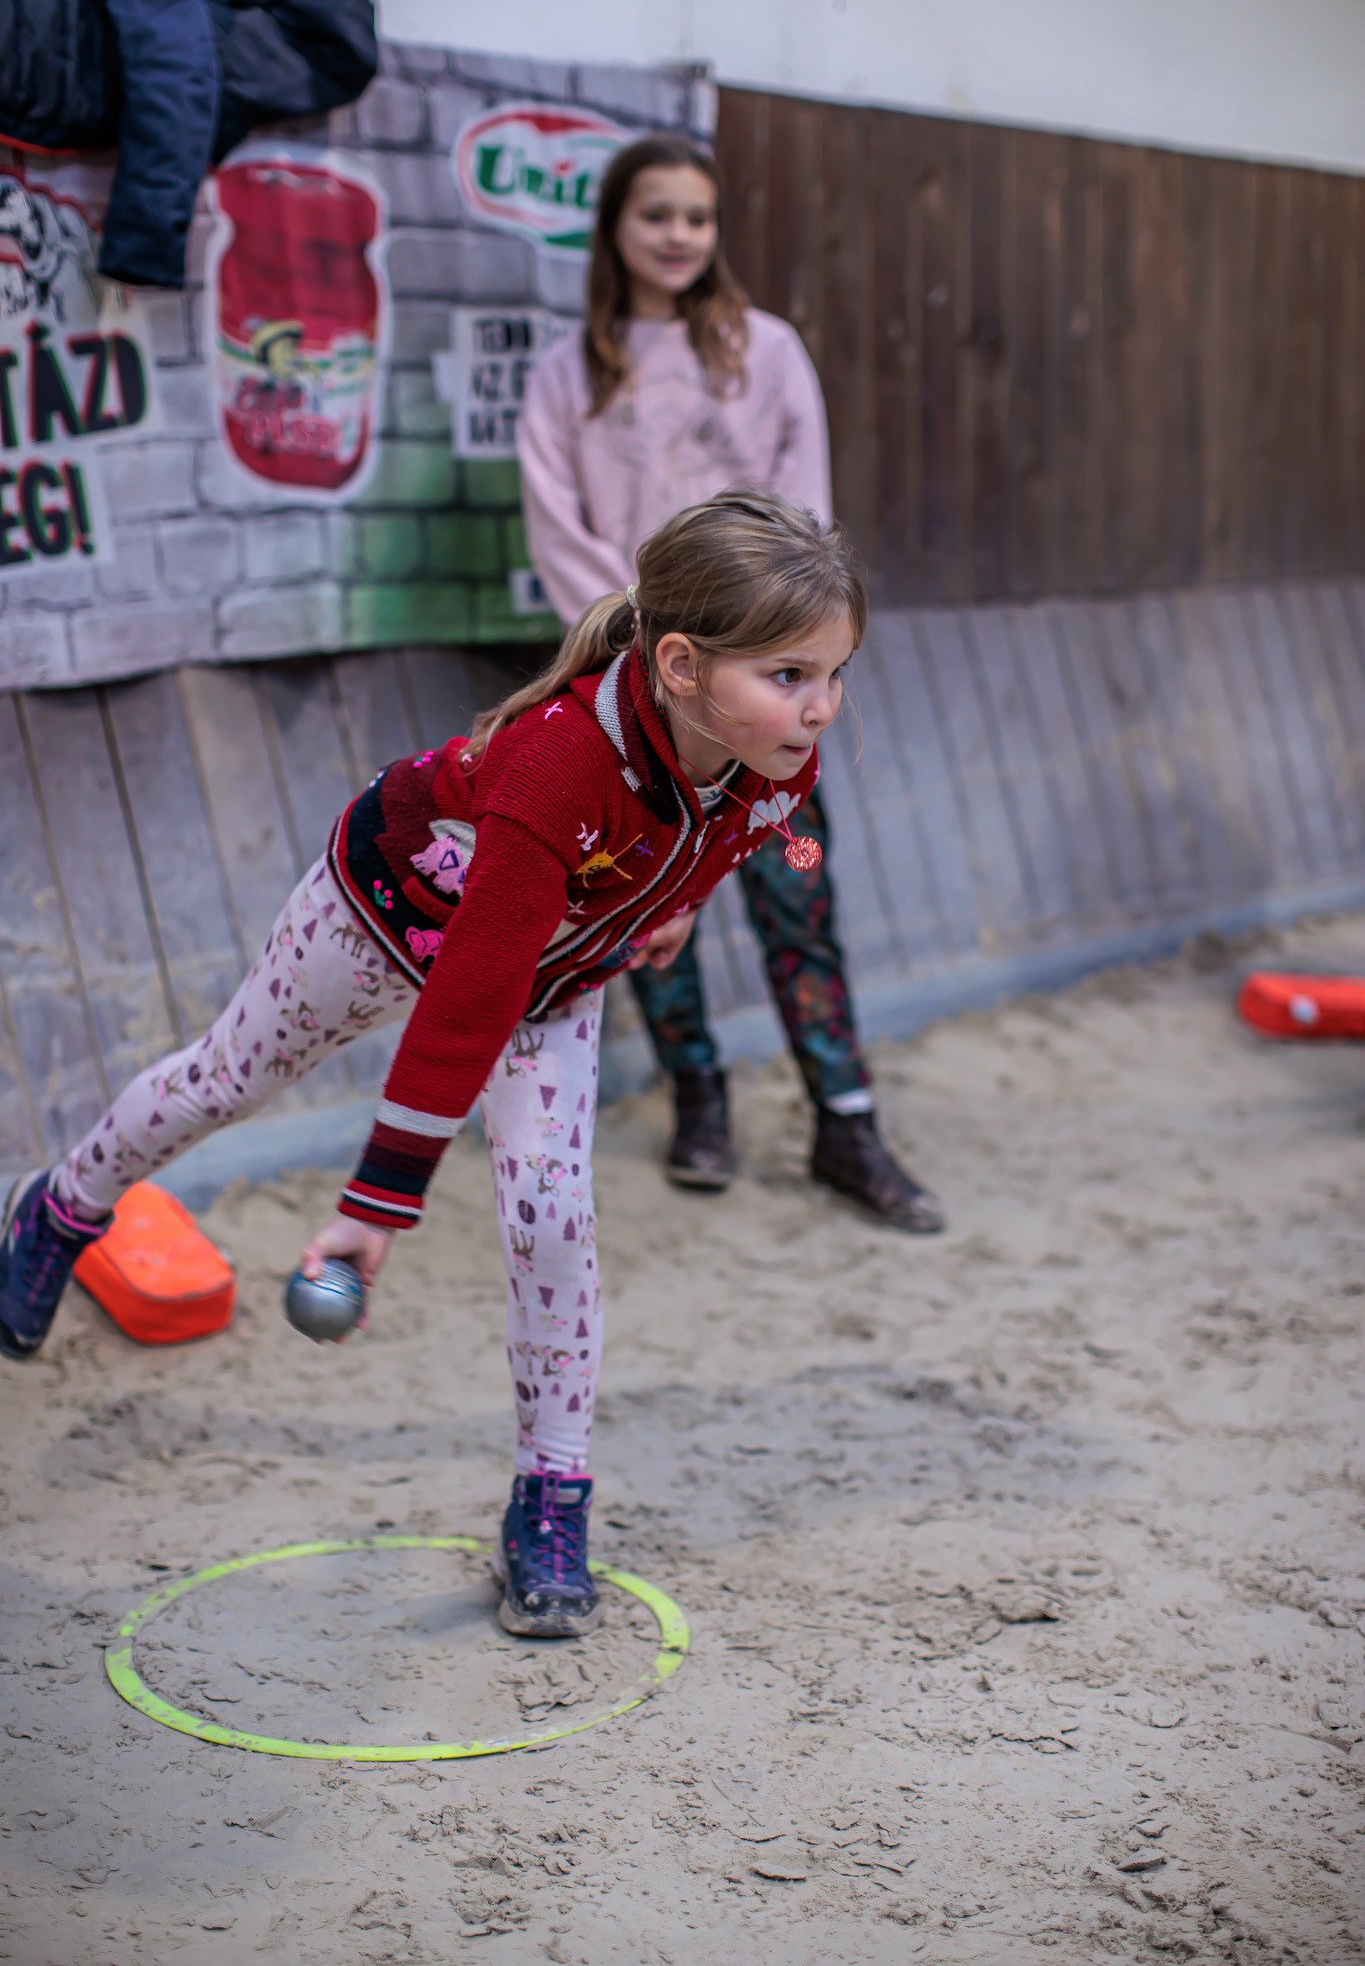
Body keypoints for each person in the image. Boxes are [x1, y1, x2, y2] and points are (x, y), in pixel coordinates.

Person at [0, 491, 861, 1635]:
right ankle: (61, 1205)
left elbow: (734, 836)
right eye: (790, 675)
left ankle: (550, 1493)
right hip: (385, 913)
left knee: (553, 1215)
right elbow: (468, 998)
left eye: (834, 672)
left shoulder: (779, 762)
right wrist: (378, 1202)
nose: (821, 706)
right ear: (683, 665)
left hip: (553, 979)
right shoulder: (562, 764)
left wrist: (678, 904)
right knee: (226, 1079)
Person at [517, 133, 943, 1233]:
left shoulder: (768, 353)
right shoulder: (570, 372)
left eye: (696, 216)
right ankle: (697, 1096)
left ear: (717, 230)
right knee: (647, 897)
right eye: (654, 213)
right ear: (615, 225)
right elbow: (556, 521)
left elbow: (803, 515)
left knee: (798, 888)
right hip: (643, 694)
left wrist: (759, 641)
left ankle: (844, 1117)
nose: (677, 235)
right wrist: (655, 642)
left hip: (765, 697)